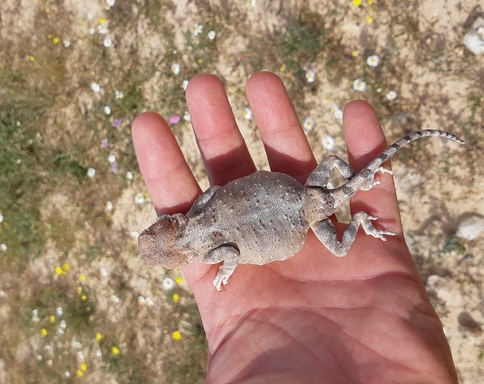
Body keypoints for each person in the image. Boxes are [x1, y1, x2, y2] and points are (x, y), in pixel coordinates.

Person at [132, 72, 458, 384]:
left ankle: (360, 220)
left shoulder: (206, 253)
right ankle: (360, 184)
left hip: (304, 212)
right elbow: (215, 193)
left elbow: (230, 253)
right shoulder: (196, 213)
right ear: (167, 223)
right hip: (299, 199)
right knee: (330, 164)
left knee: (341, 248)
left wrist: (223, 274)